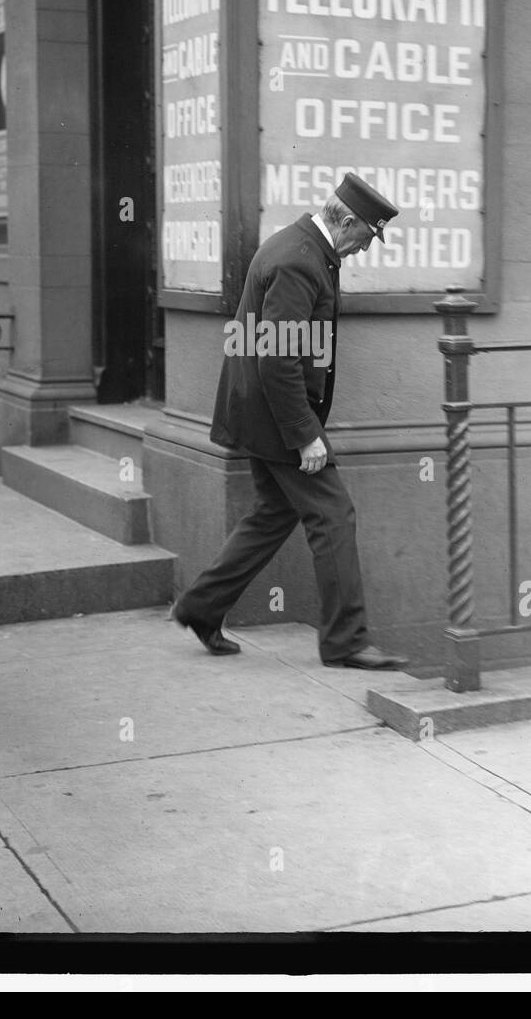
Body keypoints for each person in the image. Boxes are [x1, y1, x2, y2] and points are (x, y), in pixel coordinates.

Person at [172, 173, 409, 670]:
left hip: (264, 413)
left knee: (273, 515)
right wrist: (305, 437)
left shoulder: (305, 250)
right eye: (366, 236)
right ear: (345, 220)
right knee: (334, 515)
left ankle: (201, 606)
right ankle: (345, 641)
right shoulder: (298, 262)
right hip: (277, 418)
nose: (365, 248)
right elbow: (277, 360)